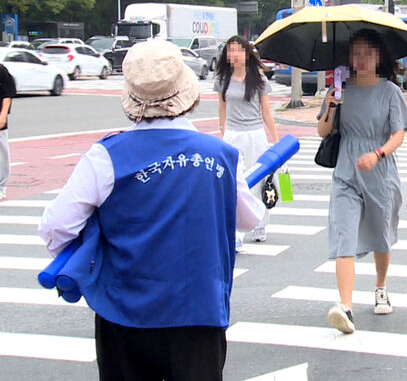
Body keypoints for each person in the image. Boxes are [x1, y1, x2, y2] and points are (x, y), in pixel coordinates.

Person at [37, 41, 266, 380]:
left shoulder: (107, 156)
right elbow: (249, 218)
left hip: (124, 312)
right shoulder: (220, 155)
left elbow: (55, 227)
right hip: (199, 311)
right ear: (186, 95)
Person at [317, 29, 407, 334]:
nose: (361, 59)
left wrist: (378, 153)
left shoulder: (390, 91)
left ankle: (381, 286)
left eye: (368, 53)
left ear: (379, 57)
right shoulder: (340, 90)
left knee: (380, 233)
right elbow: (323, 131)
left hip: (380, 170)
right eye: (356, 53)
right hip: (346, 170)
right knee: (343, 236)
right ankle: (345, 306)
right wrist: (332, 104)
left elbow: (398, 133)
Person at [215, 35, 279, 248]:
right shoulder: (223, 79)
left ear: (247, 53)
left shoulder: (259, 79)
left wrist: (275, 139)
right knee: (236, 182)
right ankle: (237, 233)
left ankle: (260, 224)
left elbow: (266, 111)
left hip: (255, 134)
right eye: (230, 50)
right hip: (232, 134)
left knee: (258, 179)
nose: (234, 54)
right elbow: (222, 107)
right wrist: (223, 131)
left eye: (238, 50)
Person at [0, 61, 15, 201]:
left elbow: (7, 94)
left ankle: (1, 187)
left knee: (1, 155)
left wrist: (3, 115)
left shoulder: (1, 70)